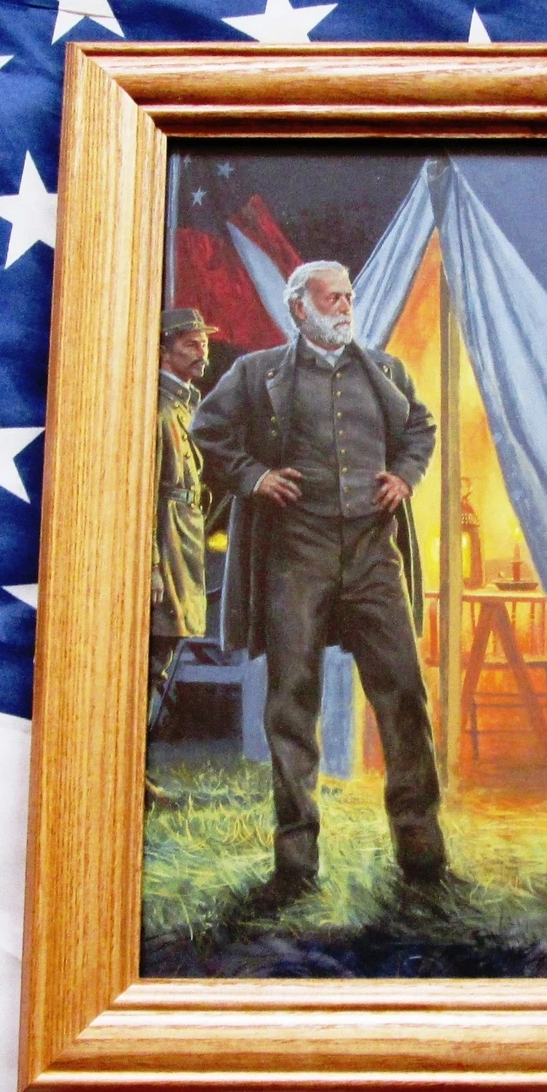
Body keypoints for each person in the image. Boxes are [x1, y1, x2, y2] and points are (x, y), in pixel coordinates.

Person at [191, 260, 447, 905]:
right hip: (294, 556)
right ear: (299, 307)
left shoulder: (385, 370)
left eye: (349, 296)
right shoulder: (257, 373)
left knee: (404, 698)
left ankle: (423, 863)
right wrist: (254, 477)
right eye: (333, 297)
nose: (346, 306)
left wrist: (405, 475)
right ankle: (295, 868)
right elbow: (207, 431)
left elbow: (421, 429)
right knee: (291, 705)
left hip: (373, 557)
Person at [149, 309, 215, 783]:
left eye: (204, 343)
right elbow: (144, 493)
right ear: (164, 351)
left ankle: (140, 771)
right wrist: (151, 565)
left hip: (184, 539)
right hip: (166, 545)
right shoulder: (156, 409)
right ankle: (134, 772)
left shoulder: (184, 406)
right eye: (191, 344)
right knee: (151, 659)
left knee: (163, 657)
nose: (202, 352)